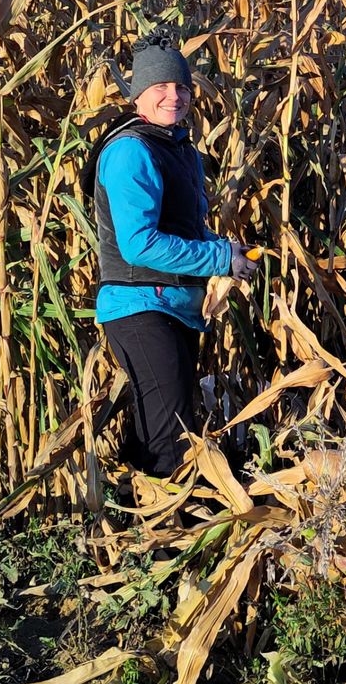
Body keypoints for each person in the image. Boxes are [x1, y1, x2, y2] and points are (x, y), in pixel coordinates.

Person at [88, 34, 259, 477]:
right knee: (169, 428)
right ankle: (160, 539)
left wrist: (228, 250)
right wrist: (220, 259)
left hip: (176, 307)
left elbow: (185, 230)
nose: (174, 95)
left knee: (165, 420)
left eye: (181, 87)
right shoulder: (130, 150)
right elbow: (139, 243)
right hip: (138, 303)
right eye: (160, 87)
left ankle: (126, 508)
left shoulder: (179, 150)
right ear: (138, 96)